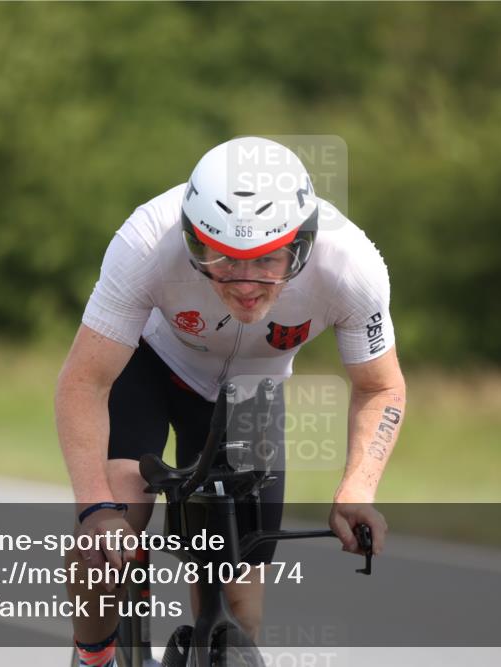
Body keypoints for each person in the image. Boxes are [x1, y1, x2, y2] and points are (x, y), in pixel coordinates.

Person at [56, 136, 406, 666]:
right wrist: (95, 509)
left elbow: (381, 386)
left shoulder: (350, 265)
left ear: (303, 243)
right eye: (220, 258)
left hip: (251, 394)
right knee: (112, 531)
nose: (245, 282)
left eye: (267, 260)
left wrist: (358, 488)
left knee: (239, 602)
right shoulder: (147, 240)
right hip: (151, 365)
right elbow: (83, 382)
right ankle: (94, 656)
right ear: (192, 237)